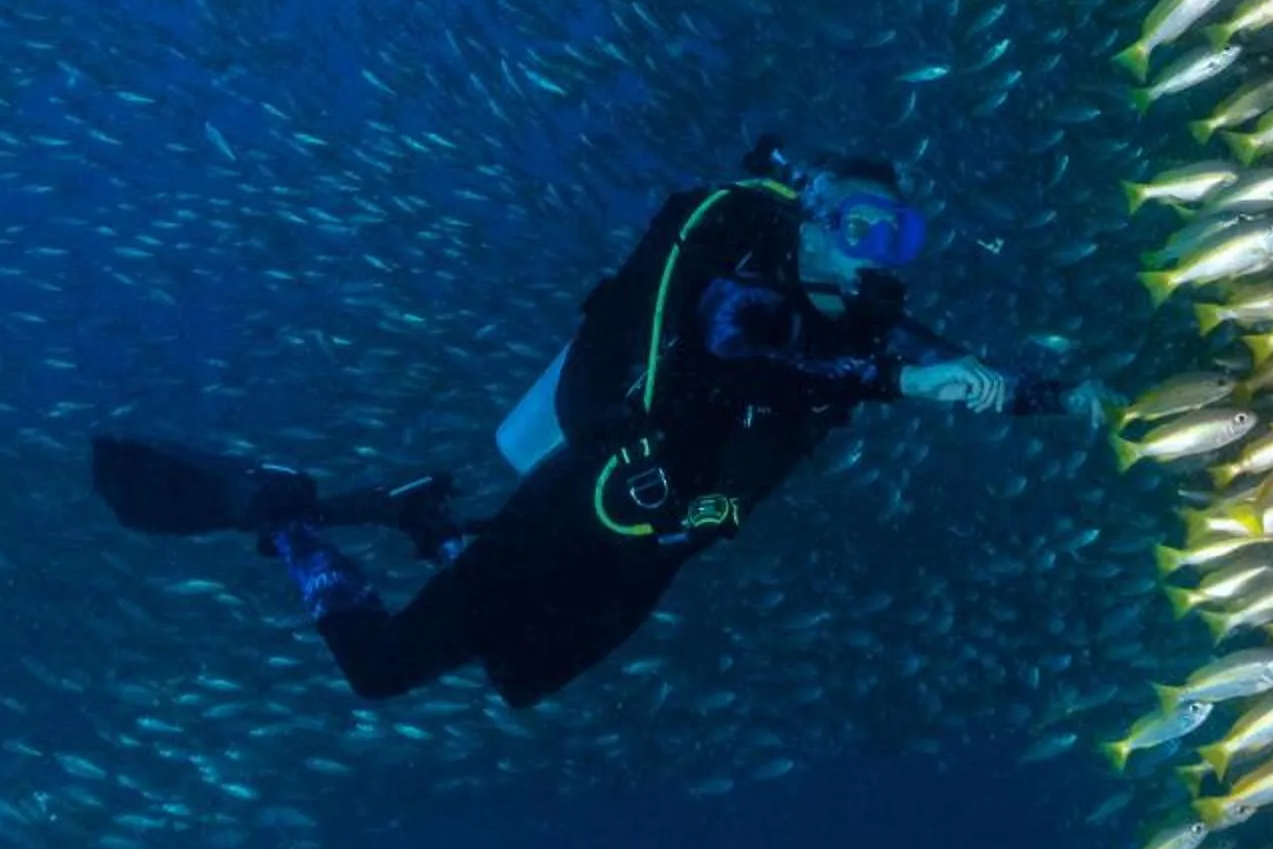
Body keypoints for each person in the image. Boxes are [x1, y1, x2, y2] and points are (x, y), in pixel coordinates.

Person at [92, 143, 1097, 712]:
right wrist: (901, 382)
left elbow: (947, 380)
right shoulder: (745, 286)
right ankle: (294, 527)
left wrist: (1062, 399)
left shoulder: (866, 326)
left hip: (660, 546)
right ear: (811, 218)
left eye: (897, 234)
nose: (877, 251)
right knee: (382, 670)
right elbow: (727, 363)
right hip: (597, 495)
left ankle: (419, 519)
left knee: (522, 673)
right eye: (859, 226)